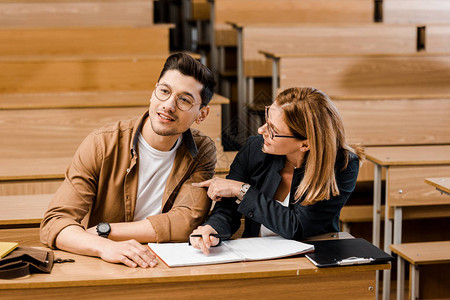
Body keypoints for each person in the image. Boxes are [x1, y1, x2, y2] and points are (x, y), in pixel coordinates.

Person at [40, 52, 217, 267]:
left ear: (202, 114)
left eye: (185, 100)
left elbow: (186, 222)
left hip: (160, 263)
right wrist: (105, 246)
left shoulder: (203, 150)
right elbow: (55, 222)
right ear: (153, 93)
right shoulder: (102, 144)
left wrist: (105, 231)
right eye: (164, 91)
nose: (169, 105)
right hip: (104, 263)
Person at [190, 87, 364, 254]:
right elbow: (227, 208)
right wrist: (213, 228)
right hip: (256, 254)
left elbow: (296, 226)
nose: (261, 130)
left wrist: (241, 190)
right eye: (267, 121)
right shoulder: (254, 149)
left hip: (312, 257)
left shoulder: (343, 165)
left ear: (305, 144)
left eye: (273, 130)